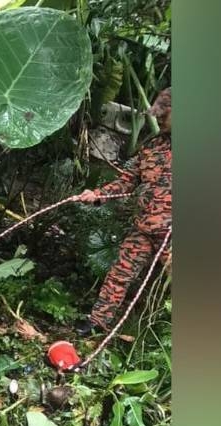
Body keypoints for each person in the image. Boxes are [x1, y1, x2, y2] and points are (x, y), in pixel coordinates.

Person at [76, 86, 172, 335]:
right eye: (158, 113)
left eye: (165, 113)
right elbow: (128, 181)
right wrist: (96, 195)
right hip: (145, 228)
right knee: (120, 274)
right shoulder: (152, 147)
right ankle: (98, 322)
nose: (158, 118)